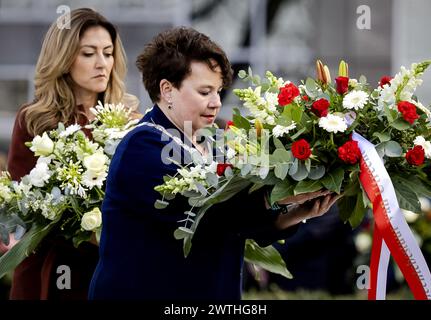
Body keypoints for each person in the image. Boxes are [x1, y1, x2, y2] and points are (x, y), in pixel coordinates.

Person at [89, 27, 340, 300]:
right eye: (205, 91)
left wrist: (295, 212)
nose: (216, 103)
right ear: (167, 90)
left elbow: (235, 225)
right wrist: (278, 195)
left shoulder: (214, 144)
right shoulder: (142, 146)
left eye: (219, 91)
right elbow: (207, 214)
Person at [4, 7, 139, 300]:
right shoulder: (35, 120)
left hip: (115, 269)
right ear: (64, 59)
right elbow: (22, 205)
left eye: (108, 52)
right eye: (89, 54)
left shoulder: (129, 120)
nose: (102, 64)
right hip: (51, 270)